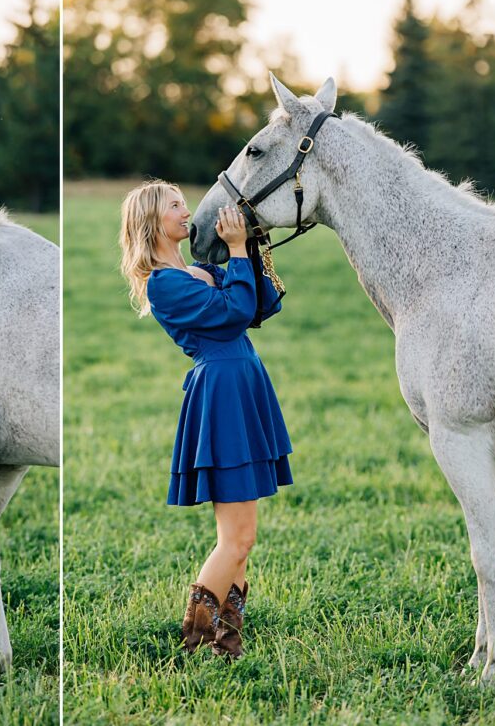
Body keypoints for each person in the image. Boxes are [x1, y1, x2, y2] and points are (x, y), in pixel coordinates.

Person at [118, 180, 292, 659]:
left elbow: (259, 304)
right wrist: (234, 253)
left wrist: (248, 247)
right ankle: (195, 637)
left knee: (241, 538)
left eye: (183, 203)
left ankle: (226, 638)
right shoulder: (164, 283)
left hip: (243, 385)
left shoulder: (196, 269)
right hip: (222, 393)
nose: (186, 211)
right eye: (175, 205)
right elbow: (234, 314)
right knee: (238, 537)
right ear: (153, 220)